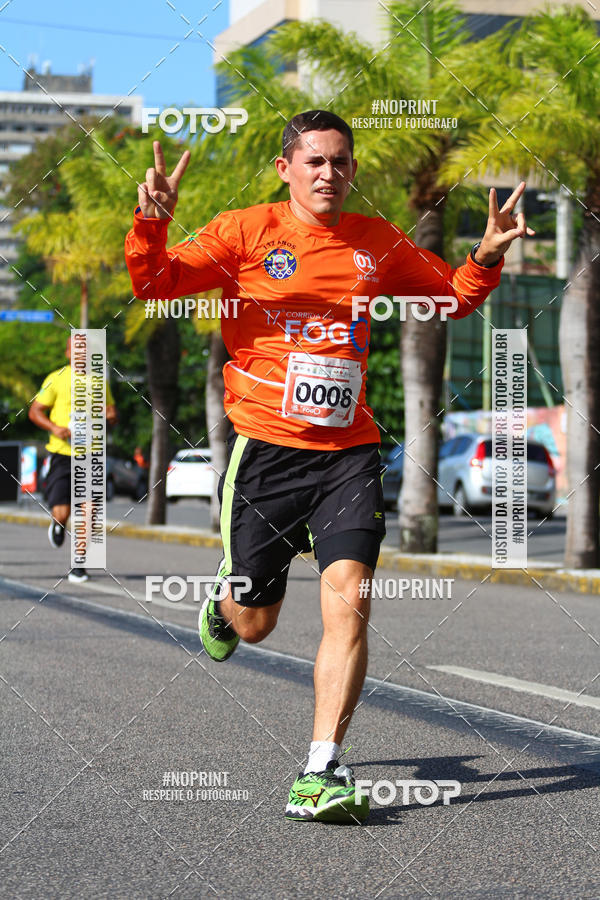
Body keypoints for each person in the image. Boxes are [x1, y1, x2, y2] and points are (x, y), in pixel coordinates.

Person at [125, 110, 532, 823]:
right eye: (314, 160)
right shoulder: (244, 231)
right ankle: (226, 602)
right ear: (286, 168)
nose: (328, 173)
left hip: (349, 452)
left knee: (351, 602)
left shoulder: (374, 241)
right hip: (266, 454)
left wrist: (488, 254)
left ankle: (321, 770)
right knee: (256, 626)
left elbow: (452, 296)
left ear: (352, 170)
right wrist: (152, 224)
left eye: (340, 161)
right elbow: (155, 283)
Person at [29, 336, 118, 583]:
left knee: (89, 508)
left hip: (91, 454)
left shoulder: (100, 381)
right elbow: (35, 411)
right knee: (62, 509)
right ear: (68, 353)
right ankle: (58, 524)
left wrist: (109, 415)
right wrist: (55, 428)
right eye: (76, 351)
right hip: (61, 453)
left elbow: (111, 414)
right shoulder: (56, 379)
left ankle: (79, 563)